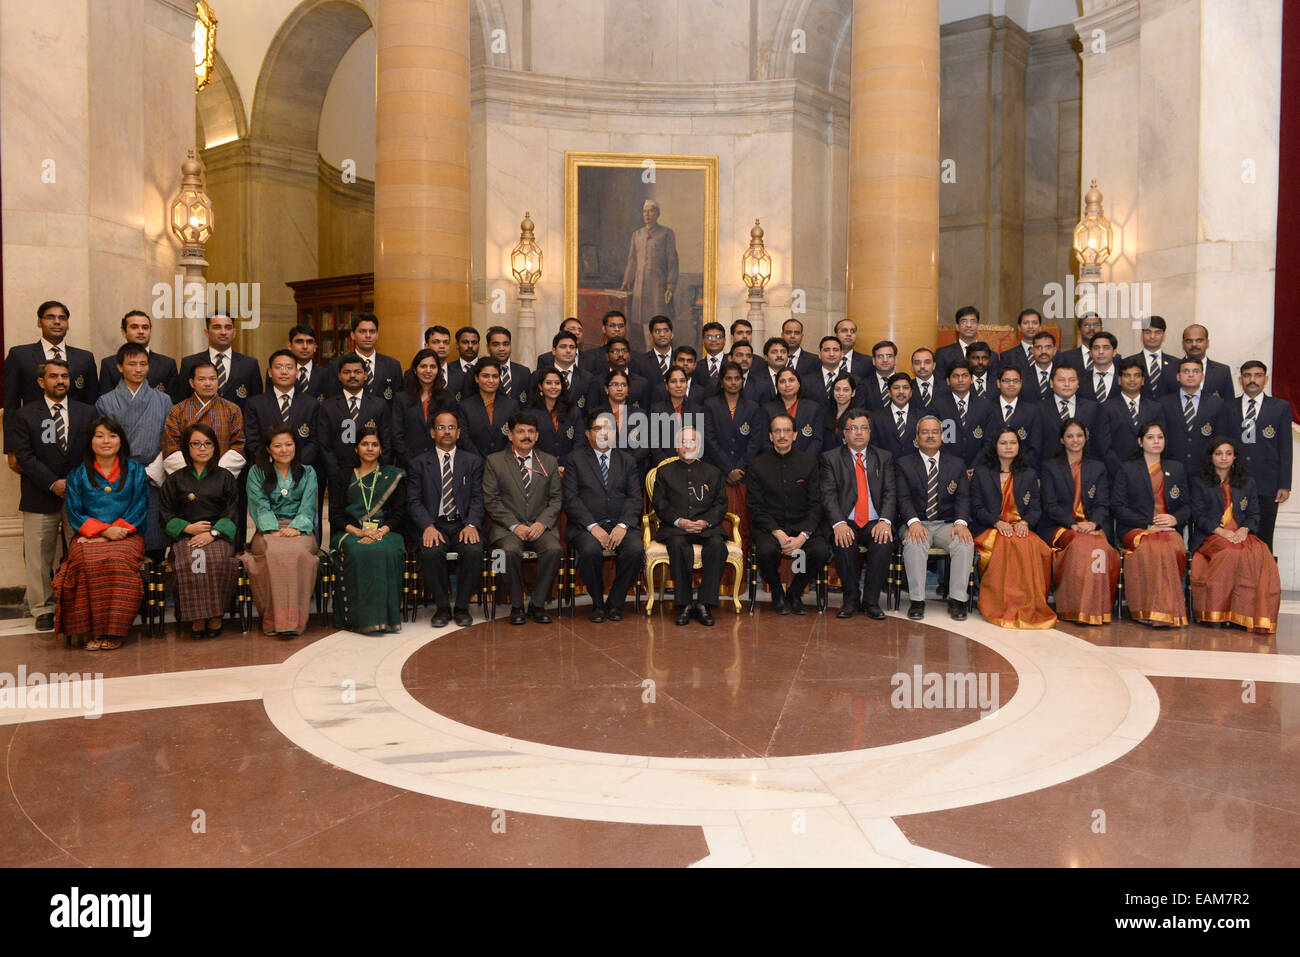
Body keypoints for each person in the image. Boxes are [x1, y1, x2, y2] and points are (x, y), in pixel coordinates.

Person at [11, 359, 94, 631]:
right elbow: (25, 456)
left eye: (65, 376)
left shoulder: (87, 412)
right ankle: (43, 608)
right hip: (39, 494)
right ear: (40, 382)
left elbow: (94, 452)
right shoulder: (25, 415)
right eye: (54, 376)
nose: (60, 381)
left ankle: (77, 602)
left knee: (80, 550)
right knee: (38, 555)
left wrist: (72, 482)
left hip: (78, 494)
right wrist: (52, 483)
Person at [52, 417, 147, 650]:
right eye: (100, 435)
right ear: (90, 441)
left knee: (117, 560)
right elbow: (75, 513)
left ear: (121, 441)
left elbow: (139, 507)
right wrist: (104, 531)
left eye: (112, 436)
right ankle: (89, 628)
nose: (106, 441)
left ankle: (114, 631)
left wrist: (113, 532)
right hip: (89, 535)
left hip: (127, 535)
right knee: (85, 561)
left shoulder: (135, 470)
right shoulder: (78, 475)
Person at [1189, 438, 1280, 633]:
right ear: (1211, 457)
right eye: (1219, 453)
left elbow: (1254, 514)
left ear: (1235, 457)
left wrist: (1243, 530)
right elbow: (1198, 515)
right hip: (1210, 536)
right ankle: (1218, 613)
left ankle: (1244, 615)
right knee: (1231, 552)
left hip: (1240, 534)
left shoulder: (1246, 482)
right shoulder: (1199, 482)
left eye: (1228, 453)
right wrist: (1221, 531)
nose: (1224, 458)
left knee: (1261, 553)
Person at [160, 423, 240, 639]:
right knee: (191, 561)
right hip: (186, 536)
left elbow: (232, 512)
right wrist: (187, 528)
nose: (202, 448)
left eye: (207, 443)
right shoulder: (176, 480)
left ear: (215, 447)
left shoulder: (226, 478)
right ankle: (196, 616)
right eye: (196, 444)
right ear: (187, 448)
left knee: (217, 559)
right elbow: (165, 513)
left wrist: (212, 534)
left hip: (218, 536)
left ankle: (216, 615)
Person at [969, 428, 1056, 629]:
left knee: (1034, 545)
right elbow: (977, 507)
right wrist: (997, 523)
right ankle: (1002, 605)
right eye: (1004, 443)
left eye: (1013, 443)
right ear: (995, 446)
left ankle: (1028, 605)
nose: (1009, 447)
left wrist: (1025, 523)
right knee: (1009, 544)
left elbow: (1035, 507)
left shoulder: (1029, 474)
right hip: (989, 528)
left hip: (1019, 527)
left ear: (1019, 446)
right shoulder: (982, 473)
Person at [483, 412, 564, 625]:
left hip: (540, 526)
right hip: (506, 527)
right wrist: (514, 525)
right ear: (510, 435)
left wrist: (542, 523)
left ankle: (537, 605)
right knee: (506, 552)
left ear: (537, 436)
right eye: (520, 431)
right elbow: (491, 500)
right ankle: (516, 605)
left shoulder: (549, 461)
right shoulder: (495, 461)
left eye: (530, 432)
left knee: (554, 550)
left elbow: (556, 499)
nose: (526, 436)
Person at [564, 412, 644, 622]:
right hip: (586, 526)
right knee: (590, 550)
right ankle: (598, 603)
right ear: (588, 434)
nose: (603, 433)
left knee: (635, 549)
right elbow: (571, 499)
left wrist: (623, 525)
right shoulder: (575, 459)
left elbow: (635, 498)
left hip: (620, 524)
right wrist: (593, 527)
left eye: (607, 429)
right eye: (597, 429)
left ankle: (615, 602)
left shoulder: (627, 460)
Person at [407, 411, 484, 629]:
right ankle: (441, 607)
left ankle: (461, 607)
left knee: (474, 550)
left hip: (462, 523)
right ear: (432, 433)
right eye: (441, 427)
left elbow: (478, 497)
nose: (447, 432)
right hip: (434, 523)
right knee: (430, 552)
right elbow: (413, 501)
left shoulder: (473, 462)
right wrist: (427, 526)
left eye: (451, 427)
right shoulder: (419, 464)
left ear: (459, 432)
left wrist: (471, 524)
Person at [747, 413, 828, 615]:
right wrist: (777, 532)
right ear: (770, 436)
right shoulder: (757, 464)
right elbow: (755, 506)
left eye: (786, 431)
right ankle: (777, 593)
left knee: (820, 550)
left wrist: (803, 536)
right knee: (766, 551)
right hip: (769, 526)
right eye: (777, 431)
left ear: (794, 435)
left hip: (802, 525)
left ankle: (794, 592)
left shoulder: (809, 462)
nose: (782, 435)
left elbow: (816, 504)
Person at [1039, 419, 1119, 624]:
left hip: (1091, 526)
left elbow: (1103, 503)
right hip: (1060, 526)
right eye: (1070, 436)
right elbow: (1049, 505)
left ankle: (1097, 607)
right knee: (1081, 545)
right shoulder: (1050, 467)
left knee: (1102, 548)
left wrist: (1094, 524)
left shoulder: (1097, 468)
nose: (1075, 440)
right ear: (1062, 440)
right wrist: (1073, 524)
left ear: (1086, 438)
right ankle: (1073, 607)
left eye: (1079, 435)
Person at [1112, 421, 1191, 627]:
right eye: (1150, 437)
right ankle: (1145, 609)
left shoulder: (1176, 468)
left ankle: (1166, 611)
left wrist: (1174, 519)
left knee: (1171, 546)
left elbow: (1186, 506)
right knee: (1153, 547)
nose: (1156, 441)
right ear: (1140, 442)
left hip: (1168, 529)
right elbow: (1118, 506)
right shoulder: (1127, 469)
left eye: (1160, 437)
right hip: (1136, 529)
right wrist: (1147, 525)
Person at [243, 425, 320, 637]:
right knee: (273, 552)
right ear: (268, 449)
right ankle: (272, 620)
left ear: (296, 446)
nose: (284, 450)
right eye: (277, 446)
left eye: (289, 444)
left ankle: (294, 621)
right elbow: (259, 505)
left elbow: (308, 506)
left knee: (296, 553)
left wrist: (296, 527)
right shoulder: (256, 472)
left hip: (300, 530)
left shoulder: (308, 472)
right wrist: (272, 529)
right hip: (268, 531)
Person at [896, 415, 974, 621]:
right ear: (916, 437)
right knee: (915, 542)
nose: (930, 436)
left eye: (935, 432)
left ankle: (957, 600)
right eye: (925, 432)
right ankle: (917, 600)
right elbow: (902, 498)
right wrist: (913, 523)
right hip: (915, 521)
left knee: (963, 542)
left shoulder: (956, 464)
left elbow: (963, 497)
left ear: (942, 436)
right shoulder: (904, 464)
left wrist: (961, 523)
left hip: (946, 524)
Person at [96, 343, 172, 553]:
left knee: (154, 536)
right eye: (132, 364)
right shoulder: (106, 402)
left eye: (143, 364)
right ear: (120, 367)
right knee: (122, 537)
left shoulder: (163, 400)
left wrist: (153, 470)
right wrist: (127, 471)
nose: (138, 369)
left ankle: (154, 583)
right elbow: (104, 442)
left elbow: (170, 439)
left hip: (153, 475)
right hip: (120, 476)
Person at [329, 428, 406, 634]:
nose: (370, 448)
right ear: (356, 448)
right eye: (365, 444)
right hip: (351, 532)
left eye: (374, 444)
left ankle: (387, 620)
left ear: (381, 449)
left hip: (387, 532)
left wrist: (381, 531)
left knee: (387, 550)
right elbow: (334, 515)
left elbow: (399, 513)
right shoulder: (342, 475)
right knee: (357, 551)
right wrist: (359, 532)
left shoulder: (392, 476)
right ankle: (358, 619)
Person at [651, 427, 729, 626]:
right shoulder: (664, 472)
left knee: (718, 546)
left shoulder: (713, 472)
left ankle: (705, 603)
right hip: (676, 527)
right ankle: (684, 604)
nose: (688, 445)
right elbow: (660, 504)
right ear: (677, 446)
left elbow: (721, 503)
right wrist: (680, 522)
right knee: (677, 545)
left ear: (699, 446)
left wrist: (706, 522)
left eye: (692, 441)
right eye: (684, 442)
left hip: (707, 527)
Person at [4, 299, 97, 465]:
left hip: (76, 442)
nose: (56, 322)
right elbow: (11, 404)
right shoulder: (20, 355)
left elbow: (91, 402)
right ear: (39, 322)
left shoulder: (85, 358)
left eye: (62, 318)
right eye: (50, 317)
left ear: (67, 324)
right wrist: (11, 449)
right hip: (33, 442)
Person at [821, 410, 895, 620]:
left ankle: (871, 601)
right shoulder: (830, 458)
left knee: (884, 541)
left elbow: (890, 492)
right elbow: (828, 495)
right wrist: (839, 523)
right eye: (853, 428)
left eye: (863, 428)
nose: (859, 433)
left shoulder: (884, 457)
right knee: (844, 541)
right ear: (844, 433)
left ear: (870, 432)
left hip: (874, 521)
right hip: (847, 520)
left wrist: (885, 521)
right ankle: (851, 599)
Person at [1230, 361, 1291, 550]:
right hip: (1235, 482)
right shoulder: (1227, 406)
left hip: (1268, 482)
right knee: (1236, 535)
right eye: (1247, 375)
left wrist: (1284, 484)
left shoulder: (1280, 407)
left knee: (1264, 537)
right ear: (1241, 380)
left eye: (1257, 375)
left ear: (1265, 379)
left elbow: (1285, 447)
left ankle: (1264, 578)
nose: (1252, 380)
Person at [243, 349, 320, 478]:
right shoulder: (255, 404)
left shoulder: (311, 404)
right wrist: (273, 463)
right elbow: (252, 441)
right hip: (266, 472)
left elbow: (315, 441)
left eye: (289, 367)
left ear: (297, 372)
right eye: (278, 367)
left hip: (301, 471)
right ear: (270, 372)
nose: (284, 372)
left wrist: (295, 463)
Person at [162, 361, 247, 477]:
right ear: (192, 383)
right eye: (201, 379)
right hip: (186, 481)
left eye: (212, 379)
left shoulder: (232, 409)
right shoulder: (177, 411)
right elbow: (170, 448)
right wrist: (193, 476)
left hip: (221, 479)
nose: (208, 383)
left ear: (218, 381)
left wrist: (218, 475)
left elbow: (239, 446)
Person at [317, 353, 394, 476]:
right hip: (339, 473)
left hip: (373, 473)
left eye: (357, 372)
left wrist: (380, 469)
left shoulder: (379, 405)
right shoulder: (327, 407)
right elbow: (324, 445)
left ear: (365, 375)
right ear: (339, 376)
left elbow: (387, 442)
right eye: (347, 372)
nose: (352, 375)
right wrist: (336, 472)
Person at [1159, 357, 1232, 476]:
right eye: (1186, 371)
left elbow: (1220, 439)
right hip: (1171, 469)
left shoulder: (1217, 404)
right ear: (1178, 376)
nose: (1191, 375)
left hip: (1205, 470)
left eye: (1196, 371)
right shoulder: (1164, 403)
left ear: (1202, 377)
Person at [621, 199, 679, 348]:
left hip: (658, 286)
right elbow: (631, 260)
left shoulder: (666, 233)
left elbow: (672, 260)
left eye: (651, 211)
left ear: (658, 214)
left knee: (659, 320)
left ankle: (662, 353)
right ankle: (649, 352)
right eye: (645, 211)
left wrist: (671, 285)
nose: (647, 214)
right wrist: (627, 280)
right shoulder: (637, 234)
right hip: (640, 286)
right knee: (644, 321)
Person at [174, 313, 261, 410]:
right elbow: (181, 401)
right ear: (207, 332)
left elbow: (256, 404)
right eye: (217, 327)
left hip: (238, 423)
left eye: (228, 328)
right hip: (199, 423)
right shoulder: (189, 363)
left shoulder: (249, 364)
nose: (223, 332)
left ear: (234, 332)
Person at [1098, 357, 1164, 477]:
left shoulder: (1155, 408)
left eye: (1137, 375)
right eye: (1127, 375)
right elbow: (1104, 447)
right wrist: (1122, 471)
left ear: (1143, 380)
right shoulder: (1106, 408)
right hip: (1116, 473)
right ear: (1119, 380)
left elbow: (1161, 441)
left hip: (1150, 473)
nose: (1132, 379)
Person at [324, 313, 402, 406]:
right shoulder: (336, 365)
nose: (368, 335)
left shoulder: (393, 365)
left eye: (372, 331)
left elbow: (398, 404)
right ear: (352, 335)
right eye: (362, 331)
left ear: (377, 335)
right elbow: (332, 401)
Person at [392, 348, 451, 470]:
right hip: (407, 465)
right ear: (415, 369)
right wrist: (411, 463)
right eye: (423, 366)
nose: (428, 371)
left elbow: (451, 432)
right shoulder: (402, 398)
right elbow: (397, 435)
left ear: (438, 370)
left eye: (433, 367)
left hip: (439, 465)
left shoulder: (447, 398)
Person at [1034, 365, 1104, 464]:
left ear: (1078, 383)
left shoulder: (1092, 408)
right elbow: (1035, 444)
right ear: (1051, 383)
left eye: (1072, 380)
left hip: (1084, 468)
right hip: (1049, 468)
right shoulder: (1038, 409)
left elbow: (1098, 443)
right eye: (1061, 380)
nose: (1067, 384)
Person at [98, 310, 178, 396]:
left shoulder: (167, 364)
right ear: (124, 332)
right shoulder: (109, 364)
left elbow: (174, 402)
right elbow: (105, 402)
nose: (141, 331)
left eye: (145, 327)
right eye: (134, 327)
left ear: (150, 331)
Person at [932, 358, 990, 469]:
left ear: (972, 379)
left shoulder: (985, 406)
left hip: (978, 469)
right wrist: (956, 467)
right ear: (948, 381)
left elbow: (989, 441)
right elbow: (936, 440)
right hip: (947, 468)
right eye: (955, 376)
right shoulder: (937, 406)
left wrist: (975, 466)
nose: (960, 380)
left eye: (965, 376)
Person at [456, 357, 518, 459]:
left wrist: (498, 461)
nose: (491, 380)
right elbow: (464, 439)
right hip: (474, 464)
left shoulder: (511, 406)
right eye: (485, 376)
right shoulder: (465, 407)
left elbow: (515, 436)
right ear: (476, 378)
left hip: (505, 464)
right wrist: (480, 461)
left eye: (495, 376)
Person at [762, 366, 823, 457]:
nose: (787, 385)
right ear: (777, 386)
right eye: (782, 381)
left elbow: (817, 440)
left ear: (799, 384)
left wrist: (804, 460)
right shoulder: (767, 409)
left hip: (805, 463)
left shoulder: (813, 408)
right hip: (775, 462)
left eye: (791, 380)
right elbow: (764, 440)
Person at [982, 366, 1039, 463]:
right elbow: (984, 443)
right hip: (991, 466)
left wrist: (1019, 465)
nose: (1011, 384)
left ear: (1021, 383)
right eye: (1007, 381)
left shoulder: (1032, 411)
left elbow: (1035, 445)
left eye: (1015, 381)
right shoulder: (986, 408)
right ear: (998, 383)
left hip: (1022, 468)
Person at [526, 367, 582, 466]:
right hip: (541, 468)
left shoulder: (573, 411)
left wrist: (566, 465)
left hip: (569, 468)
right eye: (548, 383)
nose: (553, 387)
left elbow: (580, 442)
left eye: (557, 383)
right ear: (540, 386)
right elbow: (529, 444)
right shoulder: (530, 413)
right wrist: (551, 466)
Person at [585, 336, 651, 411]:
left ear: (629, 355)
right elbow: (591, 413)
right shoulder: (597, 382)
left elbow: (646, 415)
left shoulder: (642, 383)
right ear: (607, 356)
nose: (620, 355)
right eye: (616, 351)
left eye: (624, 351)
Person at [936, 306, 999, 382]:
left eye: (973, 321)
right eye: (964, 321)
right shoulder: (943, 354)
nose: (968, 325)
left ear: (978, 326)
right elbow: (940, 383)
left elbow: (994, 384)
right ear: (957, 327)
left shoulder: (992, 356)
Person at [868, 373, 923, 460]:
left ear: (911, 393)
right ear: (889, 393)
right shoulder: (875, 418)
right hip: (885, 469)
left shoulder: (922, 417)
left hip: (914, 470)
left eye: (905, 388)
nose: (901, 391)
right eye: (896, 388)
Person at [1127, 315, 1178, 401]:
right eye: (1148, 332)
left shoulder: (1176, 364)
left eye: (1157, 332)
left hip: (1167, 413)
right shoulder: (1129, 362)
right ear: (1142, 334)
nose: (1152, 336)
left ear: (1163, 335)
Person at [542, 330, 591, 413]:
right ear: (554, 351)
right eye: (563, 346)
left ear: (576, 351)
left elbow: (590, 411)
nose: (568, 350)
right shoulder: (539, 375)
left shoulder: (587, 378)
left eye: (572, 347)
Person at [1180, 324, 1234, 399]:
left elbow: (1228, 404)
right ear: (1183, 344)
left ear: (1207, 343)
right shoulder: (1171, 369)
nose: (1194, 344)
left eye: (1199, 340)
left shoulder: (1222, 371)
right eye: (1189, 341)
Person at [485, 325, 533, 406]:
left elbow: (530, 403)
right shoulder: (481, 373)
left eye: (506, 344)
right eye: (496, 344)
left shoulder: (524, 372)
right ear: (488, 347)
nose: (501, 348)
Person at [284, 324, 331, 400]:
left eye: (309, 342)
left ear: (315, 347)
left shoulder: (326, 374)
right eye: (299, 342)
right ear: (289, 346)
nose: (305, 346)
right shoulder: (280, 373)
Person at [998, 307, 1045, 379]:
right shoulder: (1007, 357)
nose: (1030, 326)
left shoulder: (1054, 355)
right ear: (1019, 327)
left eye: (1034, 323)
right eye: (1026, 323)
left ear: (1040, 327)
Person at [742, 336, 788, 406]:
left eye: (783, 352)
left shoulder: (794, 377)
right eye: (774, 352)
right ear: (766, 357)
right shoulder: (754, 379)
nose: (779, 355)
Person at [801, 336, 846, 407]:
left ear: (842, 354)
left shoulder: (854, 380)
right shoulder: (806, 381)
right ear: (819, 354)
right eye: (827, 350)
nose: (831, 354)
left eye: (835, 350)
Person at [1056, 312, 1104, 380]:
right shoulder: (1065, 357)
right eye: (1087, 325)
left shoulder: (1114, 358)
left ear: (1101, 329)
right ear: (1078, 330)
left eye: (1096, 325)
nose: (1092, 328)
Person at [1082, 331, 1120, 405]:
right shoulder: (1081, 379)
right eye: (1096, 348)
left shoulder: (1123, 376)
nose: (1101, 352)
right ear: (1090, 353)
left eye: (1106, 348)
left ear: (1114, 352)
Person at [445, 325, 480, 402]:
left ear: (479, 345)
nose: (470, 346)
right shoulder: (447, 369)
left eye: (474, 342)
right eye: (465, 342)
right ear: (457, 345)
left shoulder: (487, 368)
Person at [862, 340, 899, 411]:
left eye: (889, 356)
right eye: (880, 356)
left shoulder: (906, 384)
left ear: (895, 360)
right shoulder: (863, 385)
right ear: (873, 361)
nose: (885, 360)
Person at [823, 373, 858, 444]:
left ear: (853, 393)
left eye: (846, 390)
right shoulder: (824, 413)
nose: (841, 393)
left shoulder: (858, 416)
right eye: (837, 389)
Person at [695, 321, 729, 387]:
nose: (714, 340)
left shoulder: (732, 362)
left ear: (724, 340)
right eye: (709, 337)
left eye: (718, 337)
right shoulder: (697, 366)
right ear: (702, 341)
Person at [643, 315, 676, 382]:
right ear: (651, 336)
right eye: (657, 331)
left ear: (672, 334)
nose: (662, 334)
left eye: (665, 330)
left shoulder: (679, 359)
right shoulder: (641, 362)